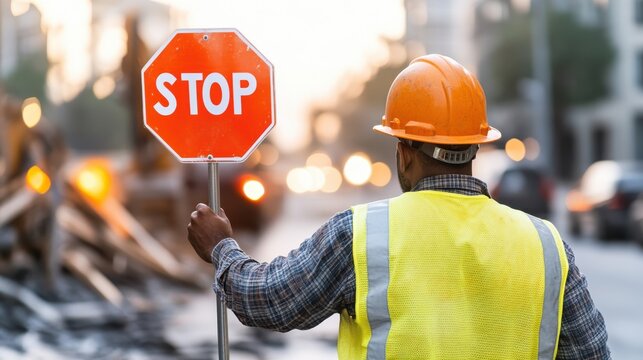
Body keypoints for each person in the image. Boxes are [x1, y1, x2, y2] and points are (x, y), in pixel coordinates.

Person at [188, 54, 610, 359]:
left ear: (404, 153)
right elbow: (591, 353)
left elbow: (269, 300)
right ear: (474, 147)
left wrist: (222, 248)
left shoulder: (363, 235)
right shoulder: (545, 246)